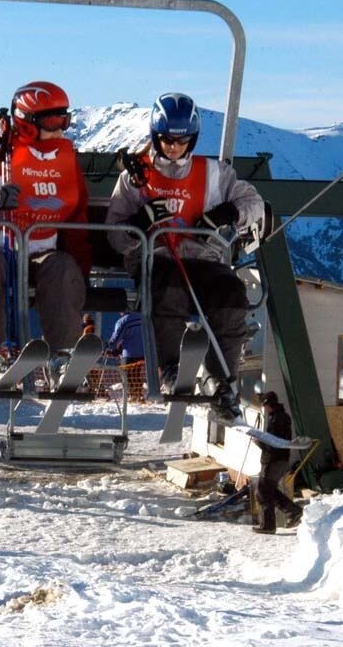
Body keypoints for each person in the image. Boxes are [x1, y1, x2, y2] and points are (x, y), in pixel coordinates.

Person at [105, 92, 264, 421]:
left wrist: (228, 212)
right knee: (169, 287)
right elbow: (116, 237)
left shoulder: (214, 173)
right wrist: (140, 221)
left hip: (204, 260)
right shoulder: (136, 178)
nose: (174, 147)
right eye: (166, 140)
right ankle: (171, 368)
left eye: (182, 140)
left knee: (232, 294)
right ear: (155, 136)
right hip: (158, 259)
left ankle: (222, 379)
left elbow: (254, 203)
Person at [0, 80, 92, 384]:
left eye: (64, 120)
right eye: (53, 121)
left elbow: (77, 220)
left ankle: (63, 359)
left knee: (61, 267)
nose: (60, 129)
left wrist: (82, 274)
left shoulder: (65, 164)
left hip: (38, 253)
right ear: (27, 123)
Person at [253, 392, 304, 534]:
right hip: (282, 460)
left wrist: (259, 442)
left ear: (269, 405)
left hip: (273, 461)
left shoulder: (276, 420)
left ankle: (268, 526)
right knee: (269, 491)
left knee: (262, 492)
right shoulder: (283, 417)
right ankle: (293, 511)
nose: (264, 408)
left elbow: (272, 444)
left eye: (264, 405)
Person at [107, 310, 145, 398]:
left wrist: (107, 346)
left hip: (129, 353)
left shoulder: (123, 321)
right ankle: (138, 394)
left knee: (127, 376)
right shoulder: (143, 318)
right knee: (136, 374)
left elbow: (115, 339)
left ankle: (133, 396)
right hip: (142, 352)